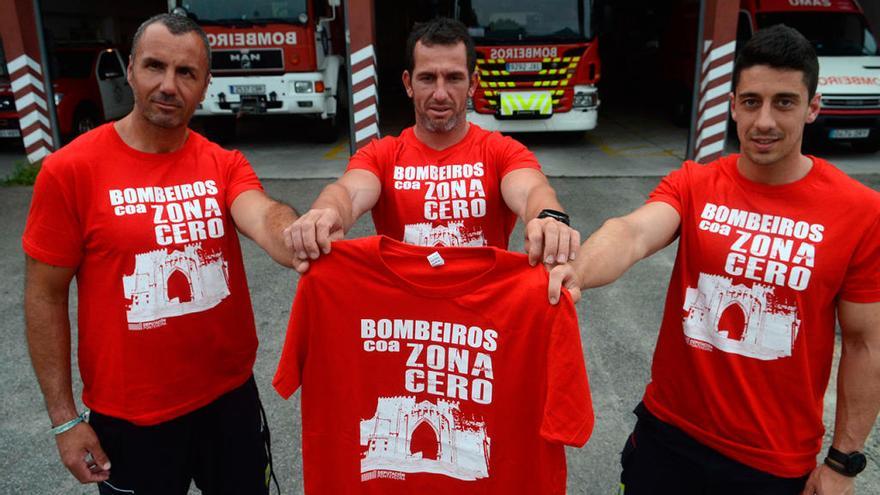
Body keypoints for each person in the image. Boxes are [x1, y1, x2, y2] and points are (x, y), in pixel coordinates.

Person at [549, 25, 880, 494]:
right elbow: (633, 232)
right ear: (732, 105)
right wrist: (577, 269)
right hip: (667, 438)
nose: (764, 120)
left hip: (770, 462)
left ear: (813, 107)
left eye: (784, 102)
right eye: (751, 101)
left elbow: (868, 345)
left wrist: (843, 463)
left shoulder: (861, 213)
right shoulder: (695, 183)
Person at [23, 13, 297, 494]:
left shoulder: (222, 163)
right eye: (155, 67)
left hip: (228, 401)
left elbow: (263, 216)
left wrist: (300, 233)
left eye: (186, 72)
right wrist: (65, 421)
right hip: (130, 417)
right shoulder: (69, 171)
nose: (168, 85)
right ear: (129, 70)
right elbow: (45, 297)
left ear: (206, 84)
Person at [285, 17, 578, 272]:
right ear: (408, 83)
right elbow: (347, 193)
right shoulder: (381, 155)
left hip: (482, 320)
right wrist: (325, 213)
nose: (440, 93)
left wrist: (549, 219)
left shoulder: (501, 151)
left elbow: (532, 192)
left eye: (453, 78)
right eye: (427, 78)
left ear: (473, 84)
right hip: (406, 323)